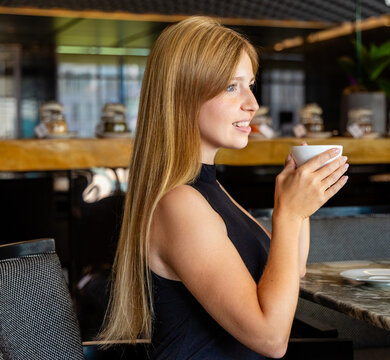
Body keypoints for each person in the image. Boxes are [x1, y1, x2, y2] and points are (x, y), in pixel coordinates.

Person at [98, 16, 349, 359]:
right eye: (232, 87)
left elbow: (290, 273)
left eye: (250, 85)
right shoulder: (180, 203)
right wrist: (288, 214)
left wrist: (301, 201)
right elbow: (271, 338)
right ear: (185, 95)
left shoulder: (207, 189)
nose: (252, 104)